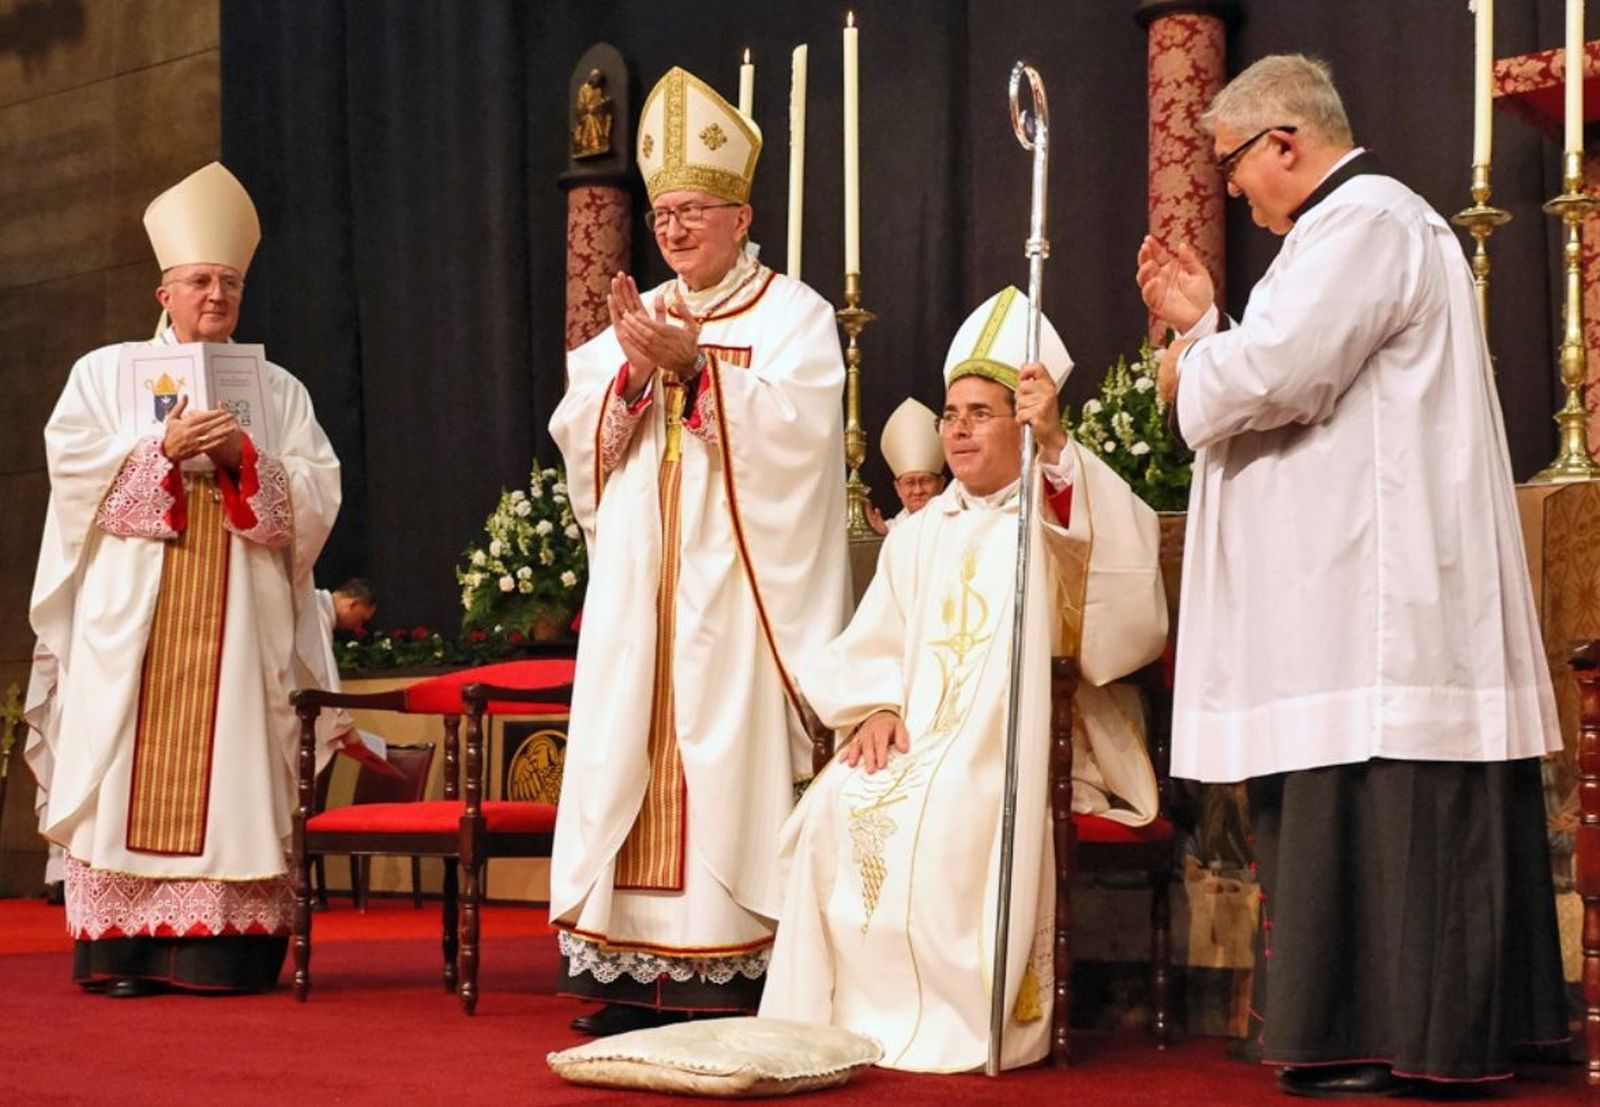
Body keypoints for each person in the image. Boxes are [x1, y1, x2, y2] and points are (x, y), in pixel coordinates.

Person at [1136, 54, 1567, 1095]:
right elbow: (1283, 358)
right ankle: (1361, 1031)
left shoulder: (1368, 219)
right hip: (1340, 595)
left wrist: (1191, 364)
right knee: (1345, 815)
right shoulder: (1334, 236)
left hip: (1380, 600)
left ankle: (1392, 1037)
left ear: (1285, 140)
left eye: (1236, 163)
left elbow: (1284, 373)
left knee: (1386, 811)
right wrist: (1203, 332)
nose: (1233, 188)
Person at [759, 287, 1168, 1071]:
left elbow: (1115, 611)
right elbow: (871, 639)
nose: (957, 428)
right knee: (835, 803)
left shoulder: (1055, 506)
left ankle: (958, 1017)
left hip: (1028, 742)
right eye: (952, 413)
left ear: (1025, 420)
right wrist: (875, 704)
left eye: (981, 411)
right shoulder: (921, 532)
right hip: (927, 737)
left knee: (950, 808)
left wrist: (1057, 452)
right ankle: (844, 1014)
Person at [548, 66, 851, 1036]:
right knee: (627, 746)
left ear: (741, 213)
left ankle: (723, 973)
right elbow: (577, 436)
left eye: (693, 212)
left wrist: (704, 379)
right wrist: (634, 378)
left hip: (738, 598)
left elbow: (803, 445)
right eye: (663, 213)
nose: (673, 230)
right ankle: (630, 977)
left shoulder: (794, 318)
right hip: (645, 594)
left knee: (722, 759)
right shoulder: (631, 318)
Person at [24, 162, 342, 997]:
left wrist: (245, 460)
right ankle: (121, 948)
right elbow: (71, 471)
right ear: (164, 291)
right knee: (124, 759)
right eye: (200, 280)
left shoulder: (275, 389)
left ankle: (222, 952)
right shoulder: (104, 374)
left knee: (237, 757)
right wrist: (156, 454)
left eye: (229, 281)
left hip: (240, 617)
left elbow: (316, 491)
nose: (216, 294)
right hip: (135, 614)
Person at [866, 397, 945, 536]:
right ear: (898, 488)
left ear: (941, 484)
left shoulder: (957, 525)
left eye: (925, 481)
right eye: (910, 482)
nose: (918, 490)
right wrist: (883, 537)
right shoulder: (890, 530)